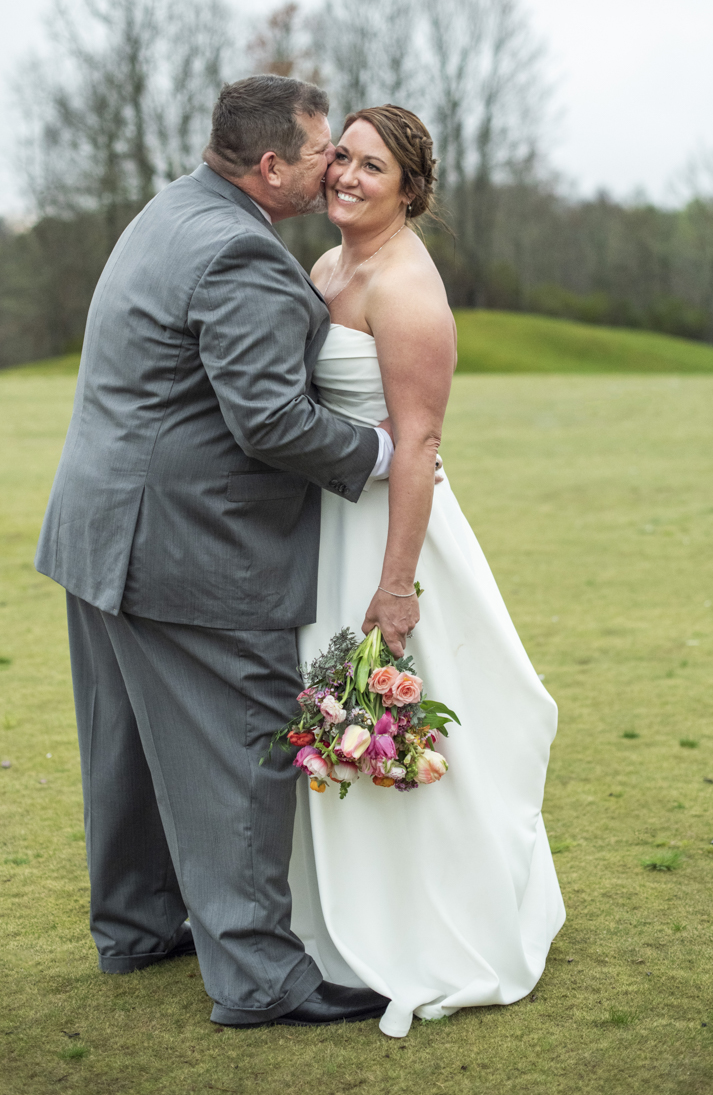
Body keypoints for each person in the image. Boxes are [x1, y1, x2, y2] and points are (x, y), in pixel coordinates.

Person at [34, 75, 396, 1028]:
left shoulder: (171, 210)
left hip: (100, 529)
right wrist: (380, 452)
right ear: (272, 166)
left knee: (127, 747)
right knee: (241, 749)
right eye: (322, 151)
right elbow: (270, 419)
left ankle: (141, 927)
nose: (334, 166)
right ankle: (261, 981)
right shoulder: (240, 251)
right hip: (191, 548)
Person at [288, 105, 566, 1038]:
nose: (347, 177)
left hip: (388, 534)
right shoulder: (331, 264)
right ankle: (330, 917)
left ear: (410, 189)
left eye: (372, 168)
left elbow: (418, 443)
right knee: (331, 712)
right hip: (330, 521)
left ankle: (428, 924)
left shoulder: (407, 288)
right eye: (342, 159)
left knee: (398, 712)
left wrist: (395, 584)